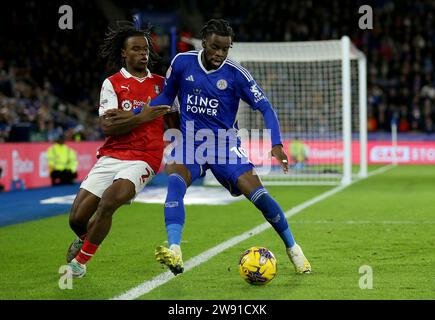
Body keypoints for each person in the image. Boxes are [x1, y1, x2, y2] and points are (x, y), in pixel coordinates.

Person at [151, 19, 311, 275]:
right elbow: (165, 98)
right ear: (203, 42)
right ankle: (175, 249)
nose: (220, 54)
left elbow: (265, 108)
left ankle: (293, 249)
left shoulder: (237, 74)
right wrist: (139, 111)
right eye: (215, 47)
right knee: (174, 180)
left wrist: (277, 144)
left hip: (224, 146)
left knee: (258, 195)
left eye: (225, 49)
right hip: (191, 142)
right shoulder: (182, 62)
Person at [65, 22, 174, 278]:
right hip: (112, 154)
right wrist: (143, 116)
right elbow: (108, 126)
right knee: (76, 219)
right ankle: (90, 239)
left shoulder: (163, 86)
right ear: (124, 53)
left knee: (109, 202)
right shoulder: (112, 83)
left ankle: (79, 263)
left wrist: (128, 117)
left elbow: (176, 121)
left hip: (144, 157)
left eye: (145, 49)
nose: (143, 53)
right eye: (135, 49)